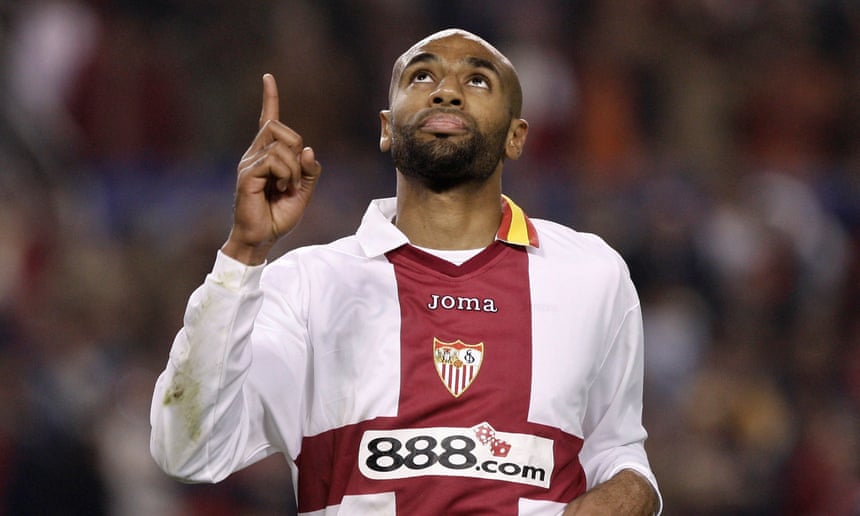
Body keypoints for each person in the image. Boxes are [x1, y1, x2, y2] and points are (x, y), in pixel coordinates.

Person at [150, 28, 661, 515]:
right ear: (387, 128)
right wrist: (243, 251)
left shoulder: (591, 275)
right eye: (422, 76)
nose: (446, 91)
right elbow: (187, 450)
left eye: (477, 79)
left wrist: (632, 495)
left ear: (515, 136)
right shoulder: (305, 286)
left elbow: (616, 451)